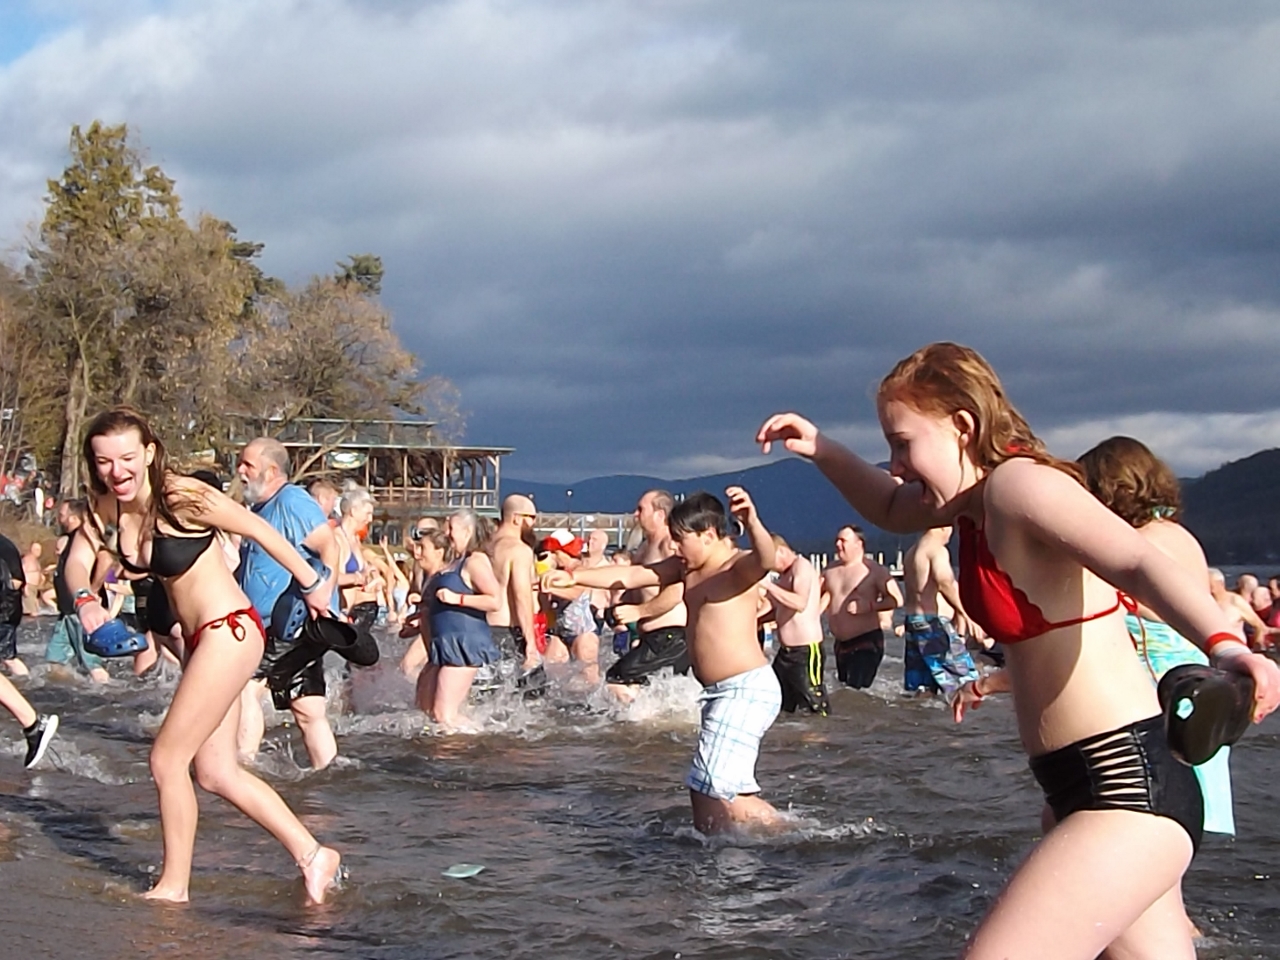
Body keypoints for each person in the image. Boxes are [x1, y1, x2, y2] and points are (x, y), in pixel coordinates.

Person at [757, 342, 1280, 959]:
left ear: (962, 426)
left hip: (1125, 790)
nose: (895, 464)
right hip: (1086, 790)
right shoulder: (972, 505)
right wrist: (822, 450)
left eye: (904, 443)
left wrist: (1227, 646)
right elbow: (889, 507)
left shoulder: (1019, 485)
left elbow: (1137, 559)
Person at [66, 408, 340, 903]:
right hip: (201, 639)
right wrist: (85, 603)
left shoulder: (181, 496)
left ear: (148, 453)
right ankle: (314, 855)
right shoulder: (107, 508)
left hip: (229, 629)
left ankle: (174, 887)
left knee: (166, 760)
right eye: (104, 461)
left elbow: (262, 532)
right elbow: (79, 560)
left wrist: (313, 583)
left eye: (128, 457)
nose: (117, 471)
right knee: (214, 772)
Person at [549, 488, 782, 834]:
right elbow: (631, 576)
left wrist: (753, 521)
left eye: (680, 539)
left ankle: (716, 856)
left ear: (709, 535)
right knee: (728, 792)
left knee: (706, 784)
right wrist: (576, 577)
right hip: (721, 693)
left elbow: (767, 559)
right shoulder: (686, 568)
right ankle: (788, 834)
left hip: (745, 689)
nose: (674, 548)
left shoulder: (735, 567)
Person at [1075, 435, 1237, 837]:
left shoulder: (1134, 548)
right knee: (1181, 829)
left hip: (1155, 696)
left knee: (1138, 821)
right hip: (1198, 690)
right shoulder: (1181, 536)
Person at [234, 438, 343, 771]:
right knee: (307, 708)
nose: (239, 471)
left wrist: (324, 591)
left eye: (247, 465)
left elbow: (329, 546)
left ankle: (242, 769)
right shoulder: (259, 510)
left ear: (271, 471)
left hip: (291, 620)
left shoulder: (291, 500)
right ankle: (331, 773)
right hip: (273, 622)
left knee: (244, 689)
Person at [416, 511, 502, 729]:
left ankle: (472, 748)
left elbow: (495, 601)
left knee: (444, 714)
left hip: (463, 644)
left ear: (467, 531)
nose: (446, 533)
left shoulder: (475, 561)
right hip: (443, 644)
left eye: (451, 528)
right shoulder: (454, 562)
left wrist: (458, 599)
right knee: (425, 710)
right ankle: (445, 751)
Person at [605, 489, 689, 699]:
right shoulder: (644, 547)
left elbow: (679, 588)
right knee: (645, 690)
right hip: (650, 636)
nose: (635, 514)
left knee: (617, 679)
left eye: (641, 509)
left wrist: (640, 611)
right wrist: (618, 607)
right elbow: (639, 588)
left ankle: (635, 726)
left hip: (670, 635)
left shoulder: (670, 544)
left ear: (660, 515)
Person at [901, 526, 980, 697]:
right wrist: (967, 614)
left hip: (913, 621)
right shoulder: (937, 550)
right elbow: (944, 582)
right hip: (931, 623)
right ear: (944, 527)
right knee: (966, 678)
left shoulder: (912, 552)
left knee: (923, 686)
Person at [819, 525, 898, 689]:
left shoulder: (873, 570)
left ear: (858, 544)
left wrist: (869, 606)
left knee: (856, 691)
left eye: (843, 541)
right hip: (841, 643)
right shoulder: (830, 570)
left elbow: (896, 600)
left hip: (866, 640)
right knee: (843, 690)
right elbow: (820, 597)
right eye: (837, 541)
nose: (838, 545)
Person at [760, 534, 829, 715]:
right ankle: (789, 741)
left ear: (781, 551)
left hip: (806, 651)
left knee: (815, 704)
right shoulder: (784, 576)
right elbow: (778, 611)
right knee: (778, 702)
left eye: (769, 559)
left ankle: (823, 740)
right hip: (786, 653)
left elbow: (799, 603)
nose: (768, 565)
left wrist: (769, 586)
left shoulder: (802, 567)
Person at [45, 499, 111, 683]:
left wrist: (92, 591)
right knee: (54, 662)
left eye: (62, 514)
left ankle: (109, 696)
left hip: (82, 611)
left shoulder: (86, 535)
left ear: (73, 517)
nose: (59, 518)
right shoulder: (71, 539)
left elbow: (106, 559)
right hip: (67, 612)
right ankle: (68, 693)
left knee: (92, 664)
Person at [483, 494, 543, 682]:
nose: (534, 523)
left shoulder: (482, 547)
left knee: (486, 696)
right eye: (531, 517)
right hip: (507, 632)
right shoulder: (518, 550)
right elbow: (521, 596)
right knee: (532, 696)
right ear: (517, 518)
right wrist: (531, 644)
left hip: (480, 629)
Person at [1209, 568, 1278, 652]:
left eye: (1210, 585)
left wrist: (1257, 648)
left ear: (1220, 584)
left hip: (1234, 652)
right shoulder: (1203, 601)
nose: (1206, 587)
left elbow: (1259, 626)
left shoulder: (1235, 601)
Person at [0, 533, 28, 676]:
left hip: (5, 611)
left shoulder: (4, 546)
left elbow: (17, 580)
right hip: (7, 607)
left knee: (7, 656)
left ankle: (26, 681)